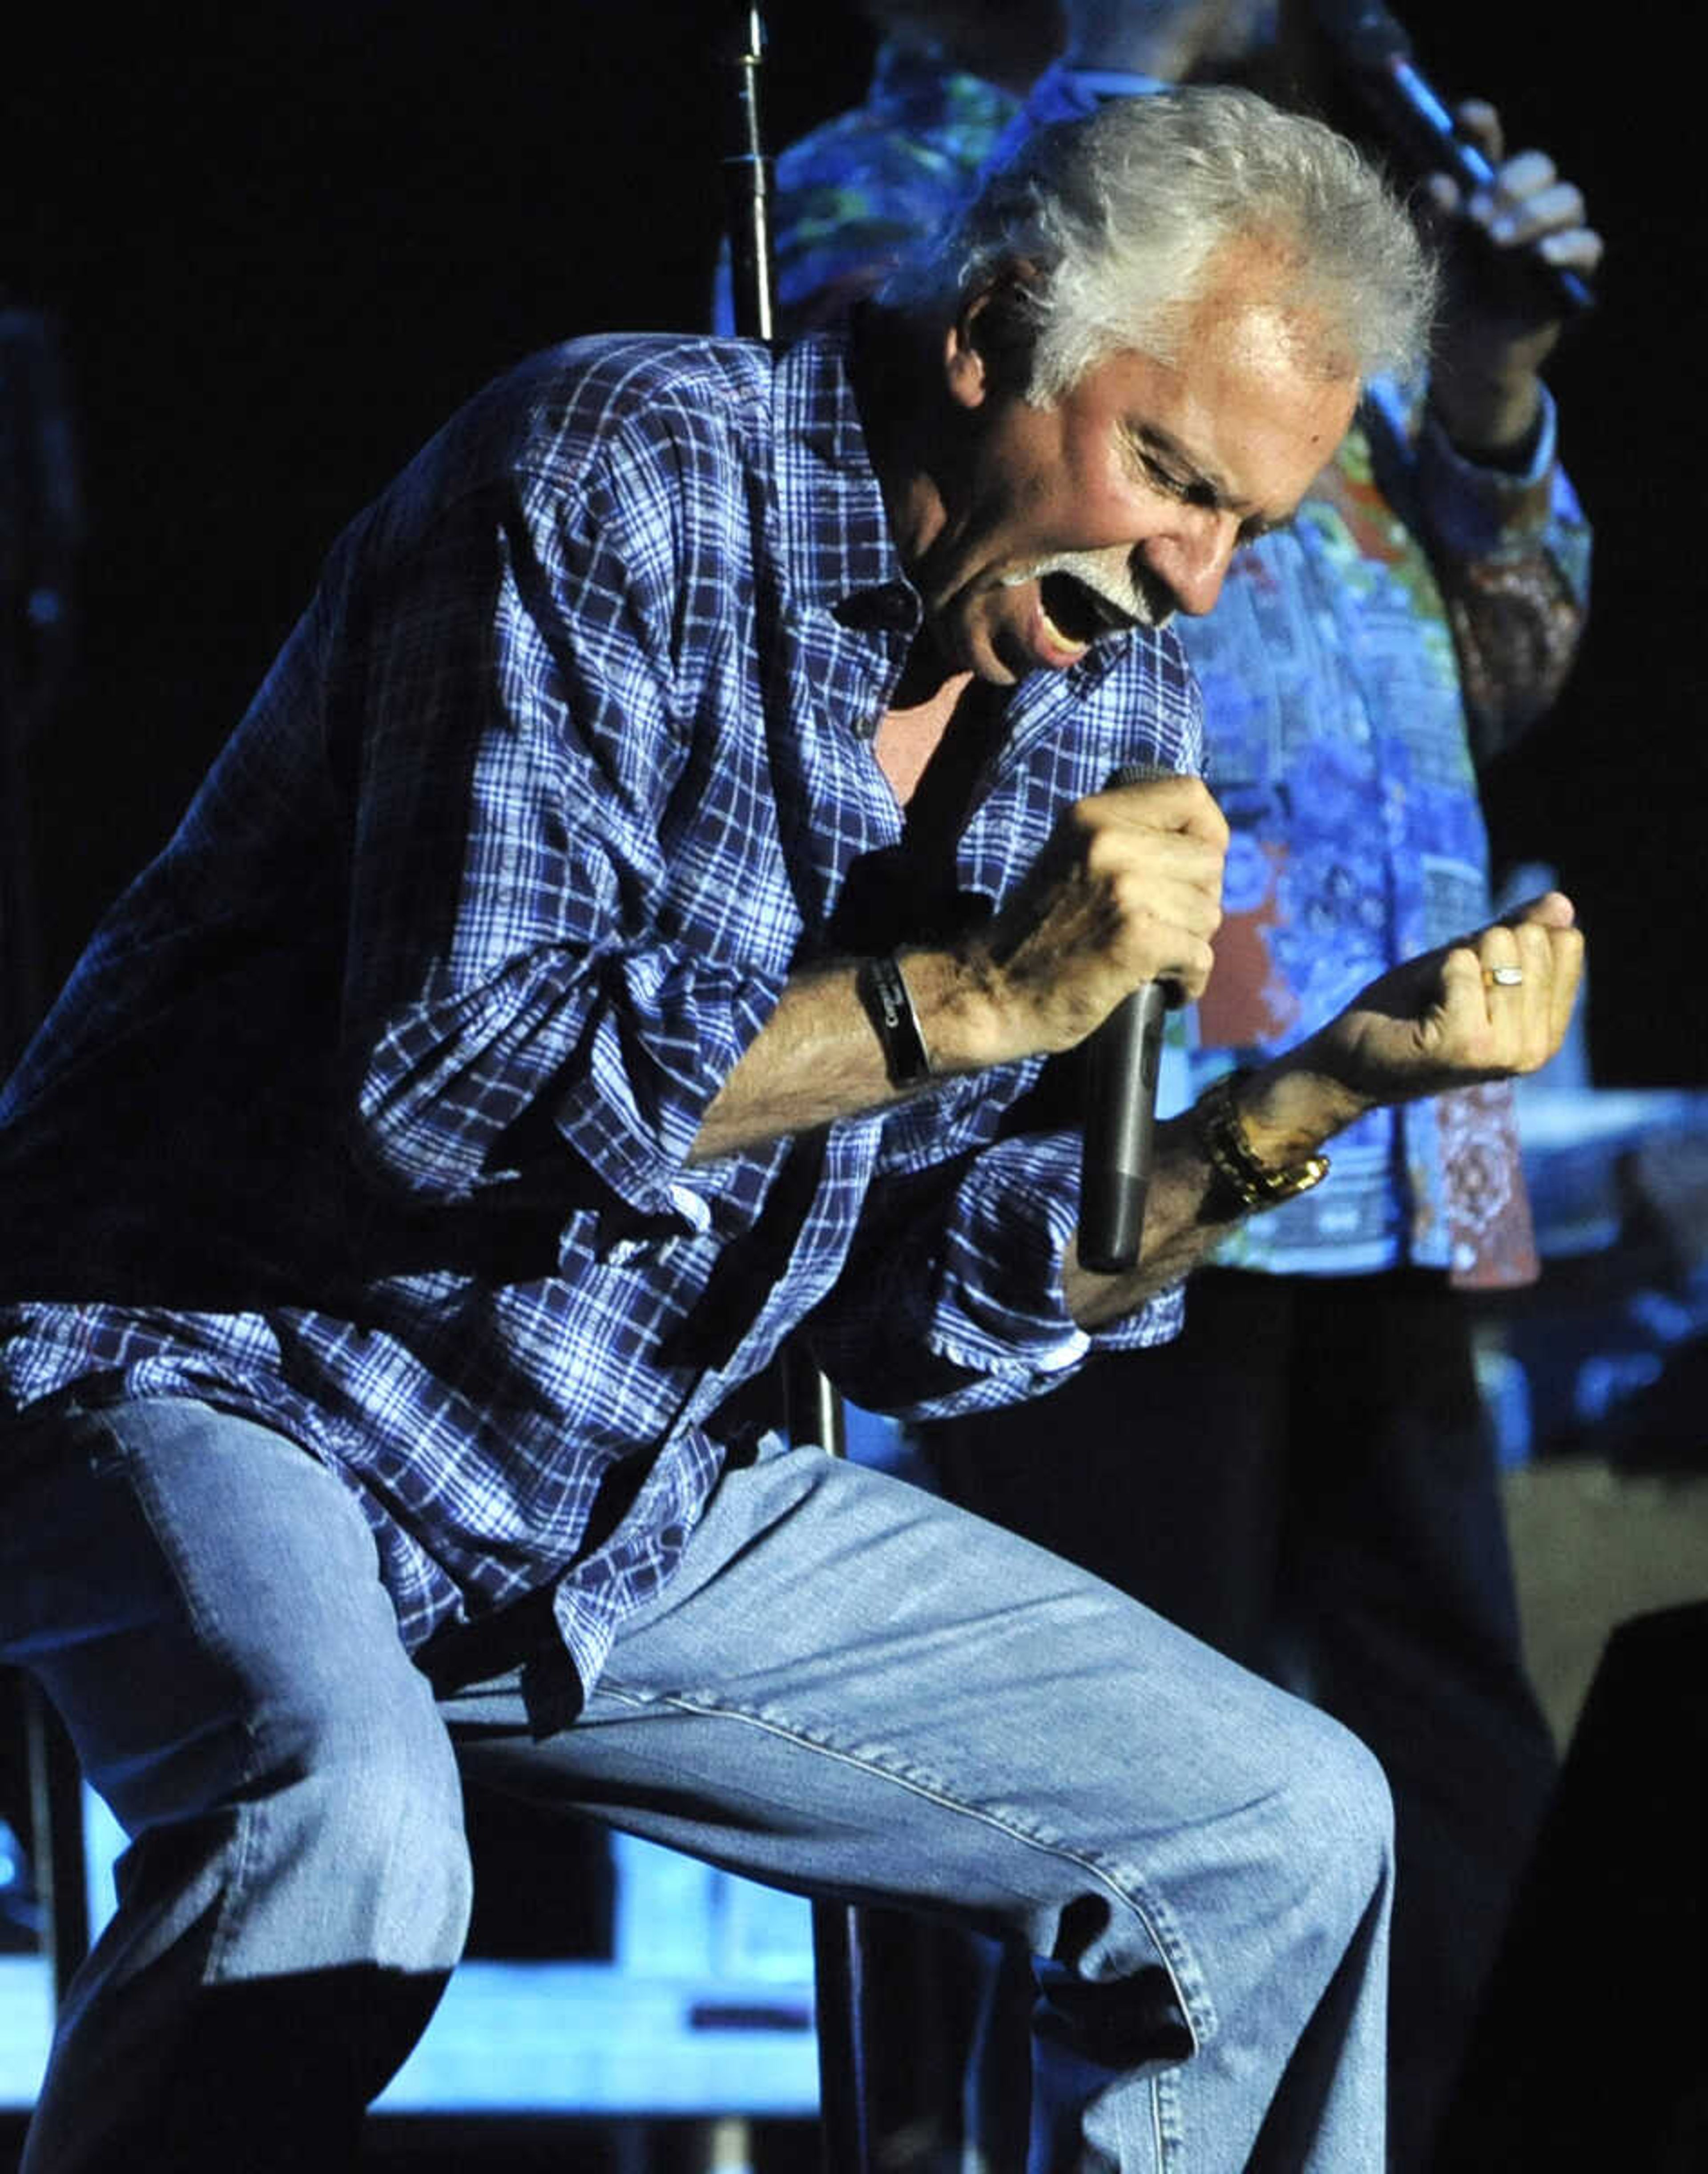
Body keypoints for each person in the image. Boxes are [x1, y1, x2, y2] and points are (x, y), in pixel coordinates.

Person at [0, 89, 1583, 2174]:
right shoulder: (621, 469)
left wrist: (1315, 1096)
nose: (1191, 577)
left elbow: (933, 1302)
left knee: (1282, 1825)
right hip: (221, 1362)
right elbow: (448, 1090)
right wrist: (992, 995)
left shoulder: (1101, 698)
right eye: (1171, 476)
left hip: (614, 1496)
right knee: (355, 1839)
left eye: (1249, 530)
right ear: (991, 329)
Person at [756, 6, 1601, 2166]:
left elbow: (1503, 679)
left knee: (1457, 1752)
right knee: (1109, 1762)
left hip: (1389, 1135)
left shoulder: (1320, 272)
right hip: (1108, 1096)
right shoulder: (921, 154)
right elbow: (885, 471)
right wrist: (1124, 59)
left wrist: (1492, 387)